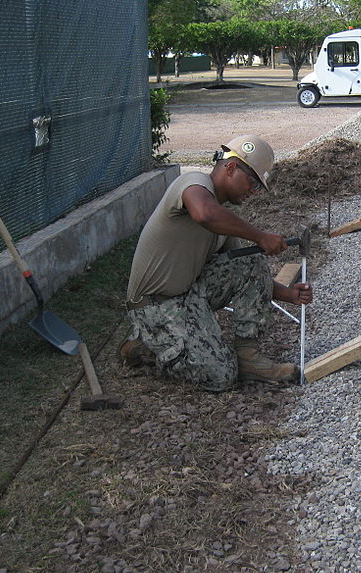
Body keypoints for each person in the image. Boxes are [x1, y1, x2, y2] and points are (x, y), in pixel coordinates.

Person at [119, 134, 312, 390]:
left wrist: (288, 293)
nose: (252, 192)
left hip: (188, 295)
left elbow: (245, 272)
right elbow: (204, 213)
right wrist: (261, 236)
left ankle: (248, 357)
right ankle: (148, 343)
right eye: (252, 183)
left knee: (251, 260)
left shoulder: (223, 222)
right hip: (154, 306)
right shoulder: (192, 183)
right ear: (231, 167)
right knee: (221, 376)